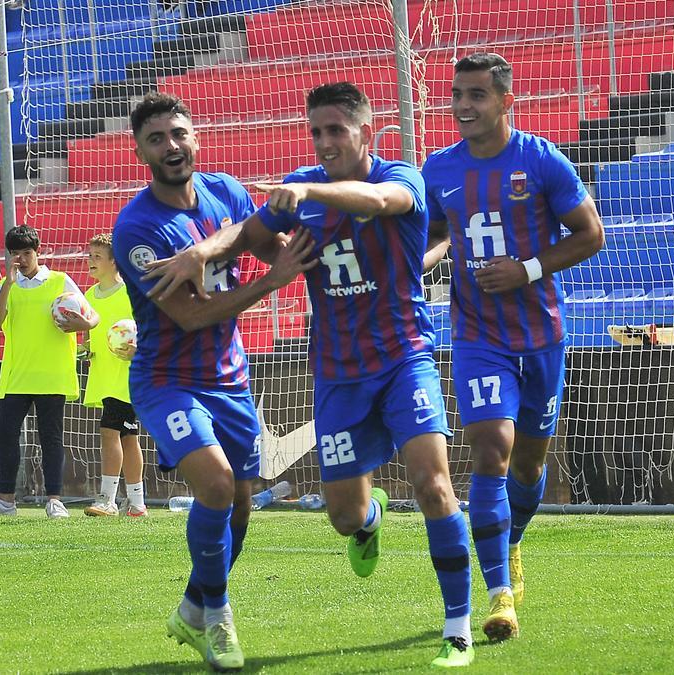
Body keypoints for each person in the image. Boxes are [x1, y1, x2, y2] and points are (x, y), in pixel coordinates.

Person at [145, 82, 475, 668]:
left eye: (336, 131)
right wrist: (206, 252)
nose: (324, 142)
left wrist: (304, 188)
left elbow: (378, 205)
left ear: (365, 133)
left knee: (433, 484)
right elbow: (248, 234)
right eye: (316, 132)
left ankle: (457, 628)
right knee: (344, 515)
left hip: (405, 359)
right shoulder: (302, 192)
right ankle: (369, 521)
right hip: (338, 374)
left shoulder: (400, 177)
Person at [111, 92, 315, 671]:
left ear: (194, 134)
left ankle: (193, 606)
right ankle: (219, 618)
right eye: (157, 139)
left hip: (230, 379)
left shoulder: (226, 191)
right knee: (218, 486)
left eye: (178, 133)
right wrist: (274, 280)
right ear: (140, 150)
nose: (171, 147)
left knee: (243, 507)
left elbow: (263, 239)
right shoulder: (138, 230)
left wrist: (303, 247)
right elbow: (194, 315)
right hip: (167, 380)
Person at [420, 52, 605, 643]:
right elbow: (435, 238)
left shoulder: (540, 159)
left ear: (505, 101)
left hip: (542, 335)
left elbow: (591, 235)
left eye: (476, 95)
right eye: (457, 95)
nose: (463, 106)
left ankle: (513, 539)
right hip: (477, 336)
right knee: (491, 452)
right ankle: (499, 596)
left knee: (528, 464)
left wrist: (526, 269)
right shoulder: (438, 169)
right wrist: (412, 271)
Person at [0, 225, 98, 518]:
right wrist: (7, 282)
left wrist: (78, 326)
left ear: (37, 252)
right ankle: (5, 501)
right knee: (5, 436)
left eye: (27, 253)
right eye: (15, 253)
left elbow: (92, 319)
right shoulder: (9, 285)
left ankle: (54, 499)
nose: (21, 259)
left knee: (51, 438)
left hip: (52, 373)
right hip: (17, 375)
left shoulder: (60, 281)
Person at [81, 233, 147, 518]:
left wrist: (139, 349)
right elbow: (91, 337)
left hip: (128, 376)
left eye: (97, 256)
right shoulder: (87, 296)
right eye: (89, 255)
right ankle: (137, 504)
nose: (90, 261)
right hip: (104, 375)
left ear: (114, 261)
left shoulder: (131, 292)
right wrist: (86, 350)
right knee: (128, 438)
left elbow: (150, 328)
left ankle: (107, 499)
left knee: (110, 432)